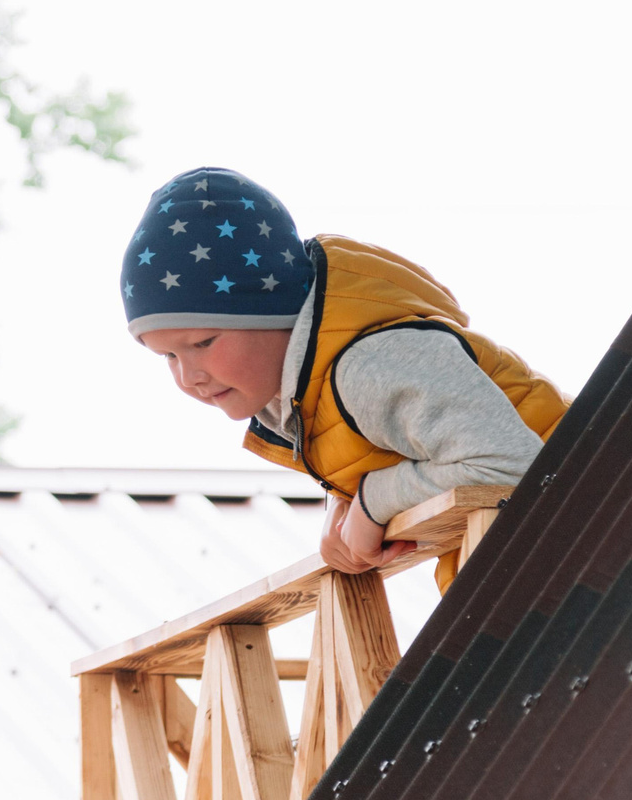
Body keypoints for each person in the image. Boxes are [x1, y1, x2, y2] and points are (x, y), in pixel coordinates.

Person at [123, 167, 566, 587]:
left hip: (605, 520)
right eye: (167, 356)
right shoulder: (308, 397)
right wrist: (347, 503)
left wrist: (373, 501)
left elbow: (513, 466)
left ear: (271, 311)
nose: (188, 377)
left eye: (202, 342)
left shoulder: (372, 361)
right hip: (560, 552)